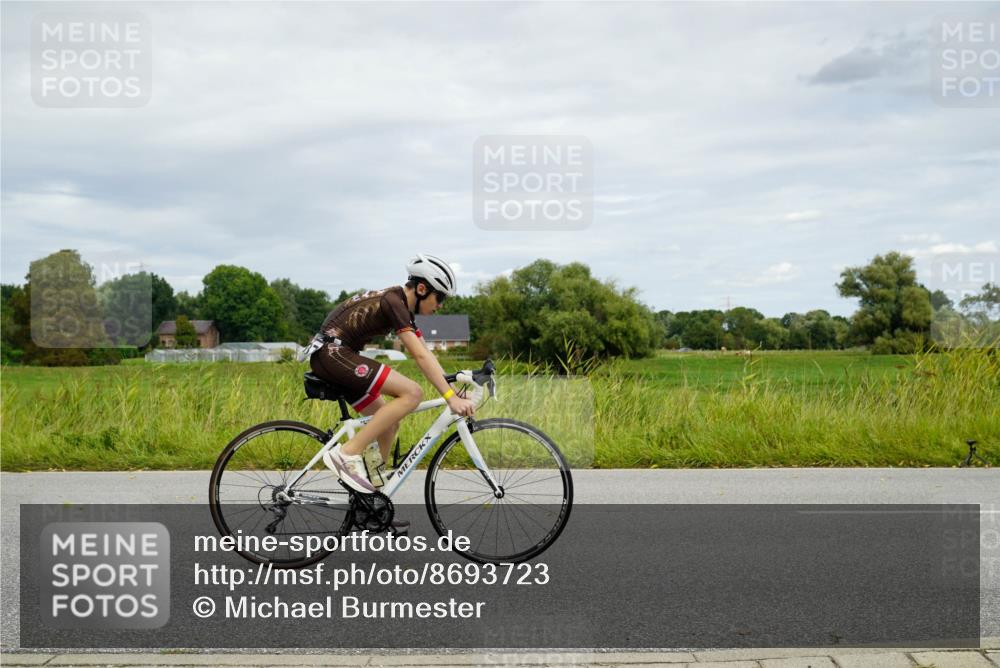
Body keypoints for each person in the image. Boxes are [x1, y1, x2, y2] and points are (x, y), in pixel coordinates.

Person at [309, 254, 476, 508]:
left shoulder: (402, 308)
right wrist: (449, 399)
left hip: (338, 355)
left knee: (389, 424)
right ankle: (346, 455)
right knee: (412, 393)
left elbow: (426, 352)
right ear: (422, 289)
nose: (440, 305)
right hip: (333, 354)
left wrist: (452, 390)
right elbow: (418, 355)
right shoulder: (393, 301)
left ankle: (371, 500)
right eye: (439, 297)